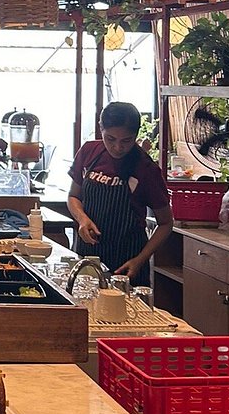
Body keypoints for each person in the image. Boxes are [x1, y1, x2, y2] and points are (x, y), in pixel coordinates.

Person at [67, 101, 174, 285]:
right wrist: (82, 219)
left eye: (126, 141)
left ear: (136, 136)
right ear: (101, 128)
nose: (117, 147)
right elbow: (73, 196)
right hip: (87, 258)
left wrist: (140, 260)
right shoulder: (89, 152)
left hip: (126, 264)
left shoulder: (146, 169)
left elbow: (166, 223)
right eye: (110, 139)